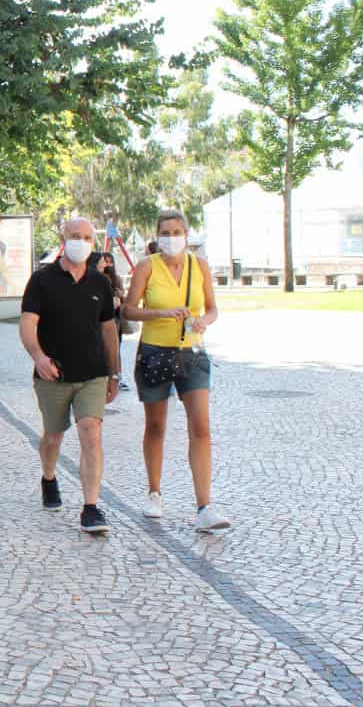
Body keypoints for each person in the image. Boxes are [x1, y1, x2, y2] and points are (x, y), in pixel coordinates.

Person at [122, 208, 230, 532]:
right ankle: (154, 492)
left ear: (186, 234)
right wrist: (161, 312)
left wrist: (204, 320)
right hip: (155, 351)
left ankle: (204, 505)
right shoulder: (147, 267)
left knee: (201, 425)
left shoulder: (201, 267)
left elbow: (212, 308)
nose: (171, 238)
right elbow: (128, 309)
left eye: (176, 232)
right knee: (156, 425)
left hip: (192, 351)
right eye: (165, 233)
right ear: (157, 236)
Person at [19, 217, 121, 535]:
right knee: (53, 436)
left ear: (94, 241)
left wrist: (114, 372)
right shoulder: (41, 280)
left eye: (87, 236)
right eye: (75, 235)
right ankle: (49, 477)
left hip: (92, 374)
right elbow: (27, 324)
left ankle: (91, 508)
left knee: (91, 432)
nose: (81, 241)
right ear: (64, 238)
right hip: (53, 374)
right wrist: (38, 357)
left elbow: (108, 330)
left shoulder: (100, 283)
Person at [99, 251, 132, 391]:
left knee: (115, 347)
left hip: (115, 318)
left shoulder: (116, 278)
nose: (107, 264)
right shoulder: (95, 278)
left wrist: (120, 296)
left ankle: (118, 375)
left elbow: (125, 300)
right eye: (104, 261)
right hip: (100, 318)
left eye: (109, 261)